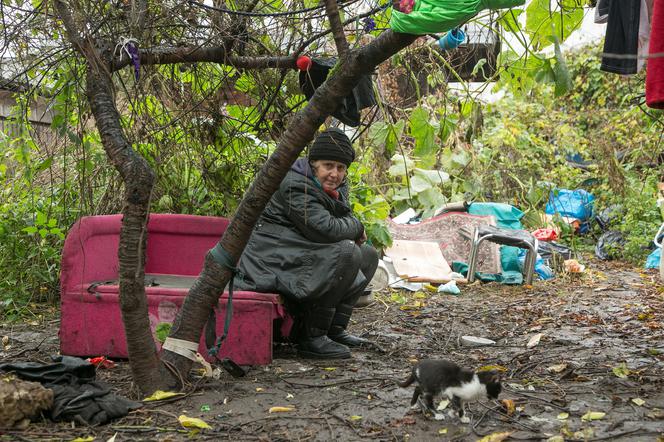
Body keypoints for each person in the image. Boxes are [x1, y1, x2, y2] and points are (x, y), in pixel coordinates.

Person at [235, 128, 379, 359]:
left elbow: (339, 222)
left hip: (297, 250)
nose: (334, 173)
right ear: (313, 164)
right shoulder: (295, 184)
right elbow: (326, 229)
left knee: (368, 255)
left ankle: (334, 330)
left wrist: (351, 225)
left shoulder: (335, 188)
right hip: (270, 258)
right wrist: (357, 226)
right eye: (328, 165)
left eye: (341, 168)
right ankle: (311, 336)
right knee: (347, 252)